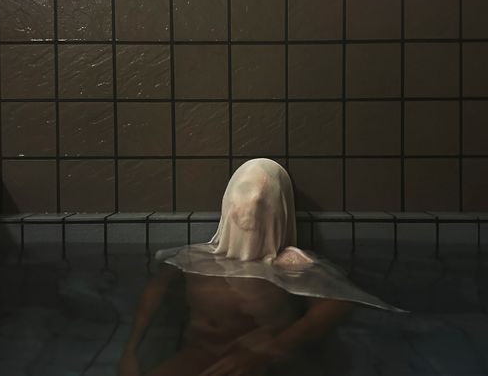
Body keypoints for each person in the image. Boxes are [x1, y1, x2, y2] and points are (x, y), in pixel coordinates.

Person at [119, 158, 405, 376]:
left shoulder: (292, 264)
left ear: (276, 210)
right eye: (241, 203)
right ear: (228, 205)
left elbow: (339, 303)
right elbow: (156, 289)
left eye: (259, 205)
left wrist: (267, 351)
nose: (248, 212)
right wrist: (131, 350)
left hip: (264, 362)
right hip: (200, 355)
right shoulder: (193, 257)